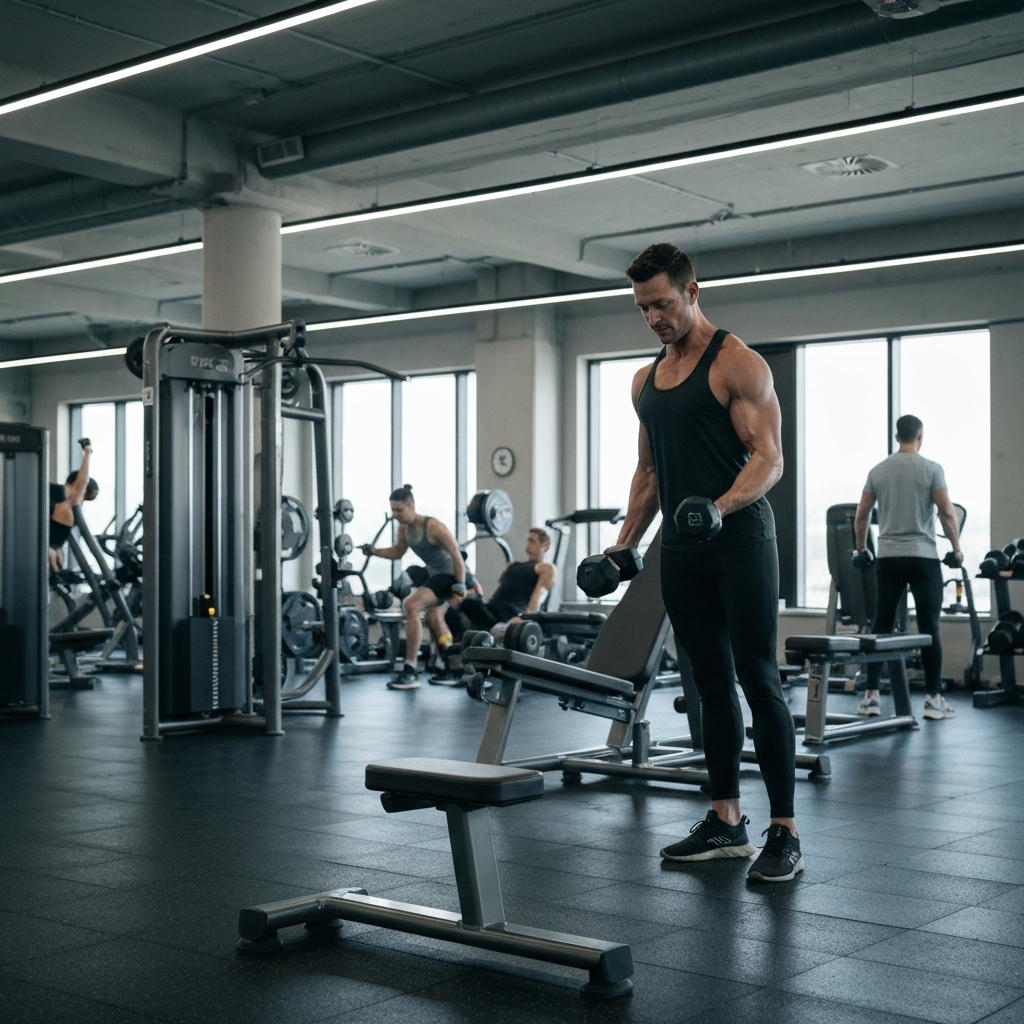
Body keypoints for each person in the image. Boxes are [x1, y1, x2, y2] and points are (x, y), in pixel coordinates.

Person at [613, 242, 802, 882]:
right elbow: (648, 472)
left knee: (758, 677)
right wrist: (624, 543)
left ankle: (784, 830)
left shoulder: (737, 364)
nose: (654, 318)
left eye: (663, 303)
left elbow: (769, 459)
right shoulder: (645, 380)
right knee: (708, 687)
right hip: (682, 551)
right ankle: (726, 819)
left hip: (741, 541)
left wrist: (719, 507)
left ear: (693, 293)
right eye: (643, 308)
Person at [853, 414, 962, 721]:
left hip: (888, 557)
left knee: (881, 626)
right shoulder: (931, 469)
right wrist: (956, 549)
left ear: (896, 436)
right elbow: (947, 513)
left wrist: (862, 550)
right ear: (920, 436)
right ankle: (933, 699)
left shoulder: (878, 470)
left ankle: (871, 696)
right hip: (923, 557)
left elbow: (862, 514)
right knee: (929, 627)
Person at [362, 485, 473, 690]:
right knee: (434, 618)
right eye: (393, 510)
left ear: (411, 506)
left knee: (411, 605)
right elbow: (397, 552)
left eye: (399, 510)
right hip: (436, 575)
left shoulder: (434, 527)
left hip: (453, 575)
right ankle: (448, 664)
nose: (395, 515)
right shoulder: (404, 529)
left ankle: (410, 669)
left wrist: (460, 591)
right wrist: (374, 551)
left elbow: (457, 557)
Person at [452, 527, 557, 630]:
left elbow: (539, 595)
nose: (528, 545)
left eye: (532, 541)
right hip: (493, 609)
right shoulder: (514, 565)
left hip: (511, 612)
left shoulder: (545, 567)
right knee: (454, 604)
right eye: (527, 540)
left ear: (545, 546)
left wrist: (527, 619)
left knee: (463, 604)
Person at [49, 444, 98, 573]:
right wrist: (87, 453)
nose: (81, 502)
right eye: (83, 497)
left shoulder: (72, 509)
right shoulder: (63, 497)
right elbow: (81, 483)